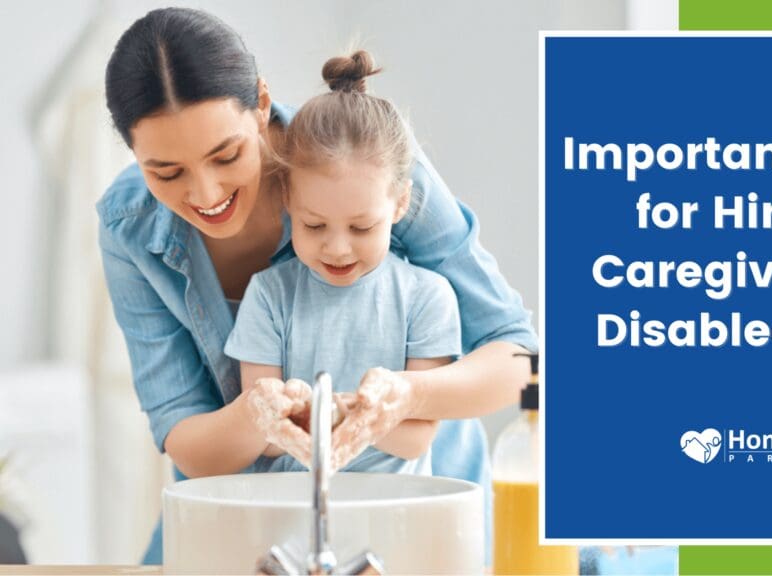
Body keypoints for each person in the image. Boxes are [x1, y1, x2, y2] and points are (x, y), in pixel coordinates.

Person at [99, 7, 534, 564]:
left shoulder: (360, 158)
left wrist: (408, 397)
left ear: (260, 104)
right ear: (132, 153)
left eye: (226, 154)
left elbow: (520, 359)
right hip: (246, 510)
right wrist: (257, 415)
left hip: (416, 508)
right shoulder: (128, 225)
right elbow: (183, 432)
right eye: (165, 171)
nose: (205, 192)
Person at [226, 50, 461, 476]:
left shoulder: (427, 298)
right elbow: (267, 435)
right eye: (314, 226)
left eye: (361, 228)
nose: (337, 249)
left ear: (401, 203)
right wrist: (361, 412)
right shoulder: (269, 295)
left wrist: (325, 411)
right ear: (288, 201)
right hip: (291, 510)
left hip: (395, 513)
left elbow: (414, 439)